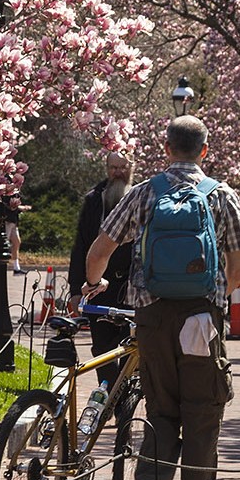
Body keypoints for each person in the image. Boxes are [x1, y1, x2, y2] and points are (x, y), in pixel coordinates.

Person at [83, 115, 240, 480]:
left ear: (167, 148)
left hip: (152, 316)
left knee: (161, 409)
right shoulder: (222, 196)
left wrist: (95, 282)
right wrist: (212, 297)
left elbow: (100, 249)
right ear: (205, 151)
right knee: (202, 412)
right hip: (201, 321)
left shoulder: (143, 193)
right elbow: (236, 269)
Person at [68, 151, 135, 391]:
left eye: (122, 167)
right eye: (113, 167)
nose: (118, 172)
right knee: (101, 349)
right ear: (106, 169)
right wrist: (76, 289)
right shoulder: (94, 200)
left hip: (132, 288)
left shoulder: (141, 198)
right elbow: (80, 247)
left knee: (131, 349)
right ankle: (105, 397)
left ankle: (123, 405)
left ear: (131, 166)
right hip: (99, 287)